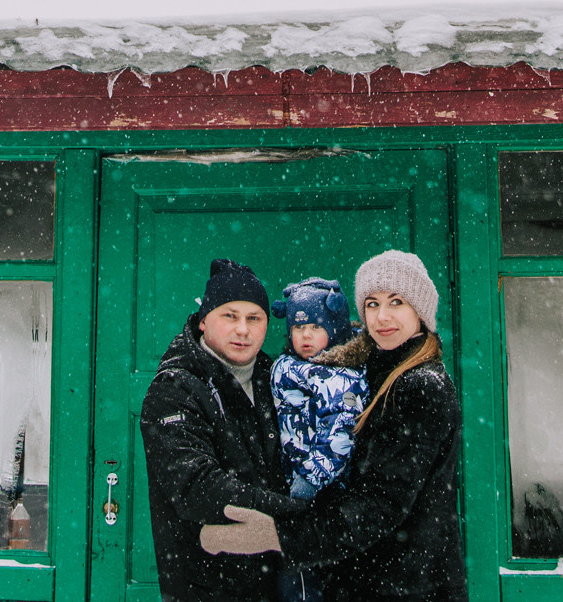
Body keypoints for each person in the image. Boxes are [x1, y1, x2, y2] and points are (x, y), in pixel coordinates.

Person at [199, 250, 467, 602]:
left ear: (421, 310)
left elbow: (381, 505)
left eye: (397, 302)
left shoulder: (421, 386)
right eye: (371, 303)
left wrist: (278, 535)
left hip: (408, 585)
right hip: (364, 579)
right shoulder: (365, 369)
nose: (382, 316)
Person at [141, 259, 301, 601]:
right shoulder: (175, 389)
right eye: (230, 315)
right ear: (203, 322)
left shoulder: (278, 379)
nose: (242, 329)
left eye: (254, 318)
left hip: (280, 585)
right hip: (209, 588)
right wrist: (302, 517)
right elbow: (200, 489)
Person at [270, 278, 364, 602]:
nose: (304, 335)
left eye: (314, 326)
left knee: (310, 577)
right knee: (293, 579)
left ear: (335, 327)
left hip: (322, 494)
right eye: (297, 328)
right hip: (292, 494)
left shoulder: (342, 377)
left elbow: (341, 432)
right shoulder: (289, 366)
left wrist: (310, 478)